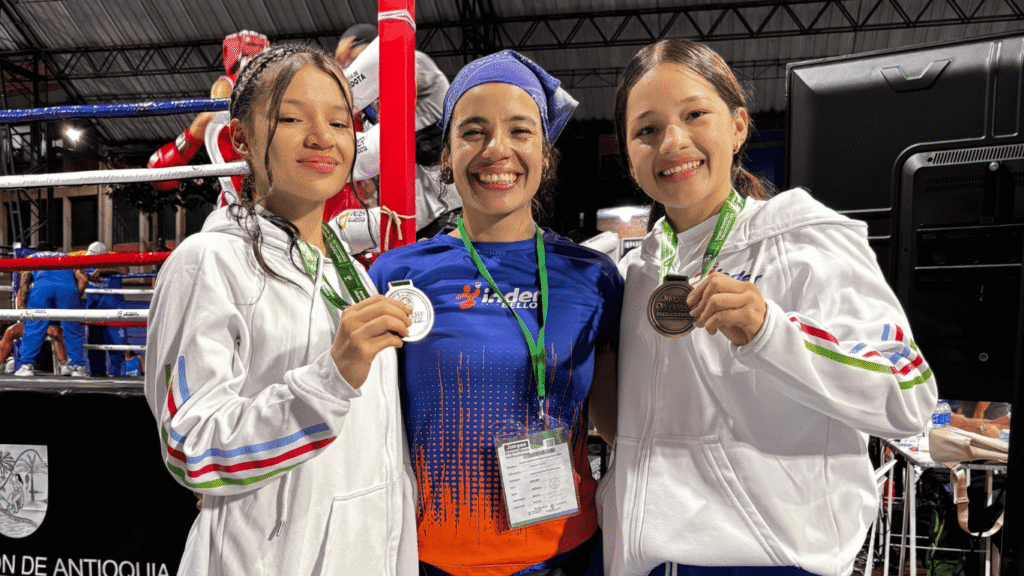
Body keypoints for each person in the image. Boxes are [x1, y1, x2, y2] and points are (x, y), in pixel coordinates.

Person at [598, 39, 939, 576]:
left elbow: (911, 392)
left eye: (694, 115)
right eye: (647, 129)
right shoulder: (635, 272)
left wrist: (771, 332)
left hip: (770, 561)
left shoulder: (802, 240)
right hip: (650, 562)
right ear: (628, 153)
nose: (673, 141)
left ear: (737, 127)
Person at [144, 44, 417, 575]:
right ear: (240, 137)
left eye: (339, 122)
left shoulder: (351, 272)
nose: (322, 137)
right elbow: (189, 447)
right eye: (291, 117)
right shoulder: (208, 262)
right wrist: (329, 381)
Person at [370, 50, 622, 576]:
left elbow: (626, 424)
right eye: (474, 132)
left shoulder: (592, 276)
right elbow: (363, 421)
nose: (496, 151)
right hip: (429, 560)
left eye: (520, 131)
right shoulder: (398, 276)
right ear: (446, 155)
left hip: (565, 555)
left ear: (546, 153)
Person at [333, 23, 462, 251]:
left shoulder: (411, 62)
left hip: (446, 208)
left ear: (373, 49)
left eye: (353, 57)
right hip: (412, 216)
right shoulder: (373, 107)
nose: (351, 67)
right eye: (344, 63)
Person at [147, 30, 270, 207]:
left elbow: (214, 115)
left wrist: (178, 151)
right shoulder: (285, 89)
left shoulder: (228, 84)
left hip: (241, 192)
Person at [14, 243, 89, 378]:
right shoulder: (67, 256)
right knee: (72, 329)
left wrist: (24, 306)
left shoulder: (32, 257)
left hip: (42, 289)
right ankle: (78, 367)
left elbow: (24, 283)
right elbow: (83, 280)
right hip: (68, 290)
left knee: (34, 326)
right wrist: (73, 299)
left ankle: (26, 366)